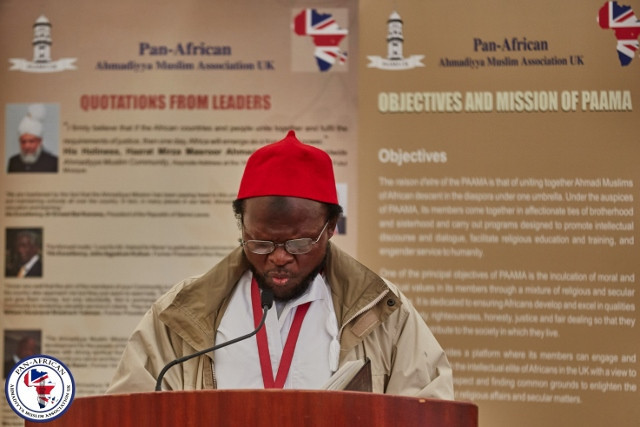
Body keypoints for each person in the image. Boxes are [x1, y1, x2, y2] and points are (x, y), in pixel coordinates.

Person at [107, 130, 454, 399]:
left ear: (331, 227)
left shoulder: (384, 311)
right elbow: (127, 410)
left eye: (299, 243)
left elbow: (428, 407)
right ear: (242, 227)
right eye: (260, 242)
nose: (279, 257)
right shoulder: (180, 312)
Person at [7, 104, 58, 173]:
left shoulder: (53, 162)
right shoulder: (13, 162)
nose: (27, 146)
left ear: (40, 142)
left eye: (31, 141)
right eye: (23, 142)